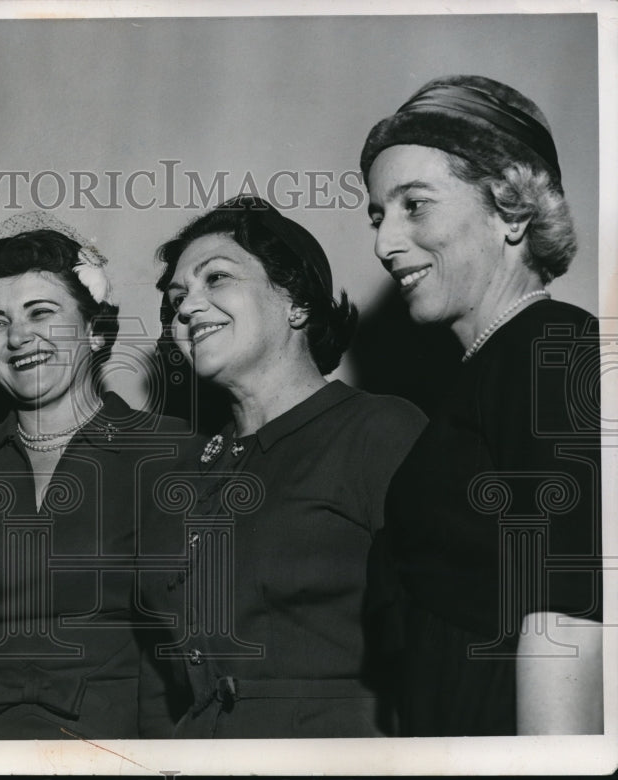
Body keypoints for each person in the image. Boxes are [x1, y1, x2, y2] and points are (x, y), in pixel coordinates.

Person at [359, 74, 603, 735]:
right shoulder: (483, 375)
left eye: (416, 206)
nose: (384, 244)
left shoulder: (551, 349)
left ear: (512, 210)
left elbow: (567, 615)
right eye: (379, 215)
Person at [138, 195, 427, 738]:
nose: (187, 308)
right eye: (178, 298)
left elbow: (437, 637)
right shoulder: (176, 476)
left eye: (216, 278)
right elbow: (160, 680)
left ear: (296, 303)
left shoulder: (378, 431)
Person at [0, 211, 193, 739]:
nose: (18, 337)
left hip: (121, 755)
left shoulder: (175, 452)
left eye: (40, 313)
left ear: (93, 330)